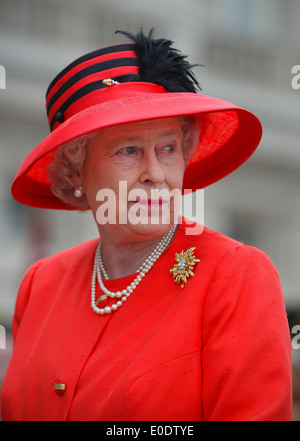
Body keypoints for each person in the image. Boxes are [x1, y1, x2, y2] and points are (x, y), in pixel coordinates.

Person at [0, 29, 292, 421]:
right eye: (129, 150)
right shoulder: (40, 284)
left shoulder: (235, 275)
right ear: (75, 172)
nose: (155, 173)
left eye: (168, 149)